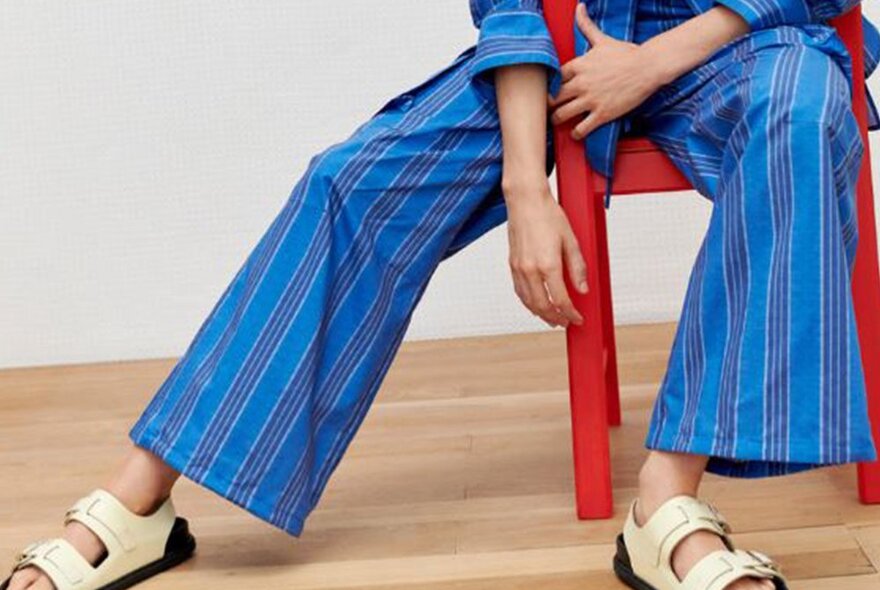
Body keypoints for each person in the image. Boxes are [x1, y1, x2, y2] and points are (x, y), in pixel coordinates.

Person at [4, 0, 880, 589]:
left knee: (800, 115)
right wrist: (524, 187)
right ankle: (141, 496)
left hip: (740, 38)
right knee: (354, 182)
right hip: (558, 45)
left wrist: (648, 66)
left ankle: (666, 504)